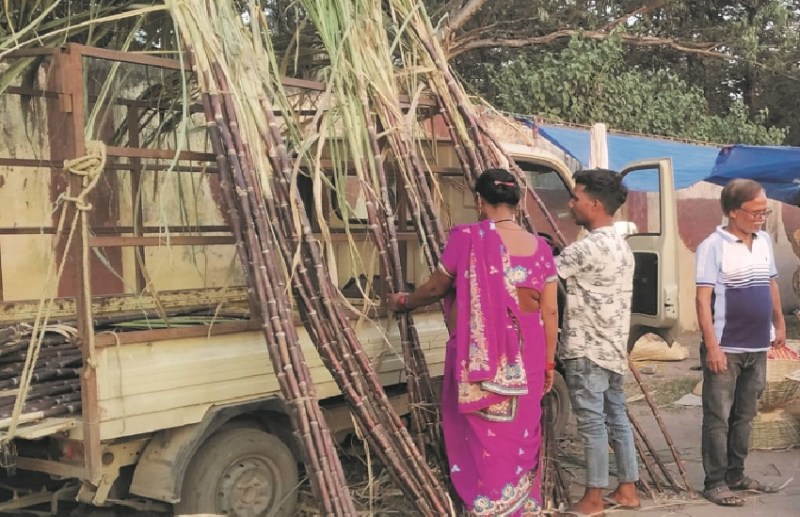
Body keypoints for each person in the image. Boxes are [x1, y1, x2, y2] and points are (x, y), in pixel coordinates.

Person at [387, 168, 559, 515]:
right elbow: (550, 312)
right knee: (521, 436)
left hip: (481, 357)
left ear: (480, 202)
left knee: (484, 440)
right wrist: (549, 362)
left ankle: (488, 506)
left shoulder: (467, 239)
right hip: (529, 355)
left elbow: (436, 288)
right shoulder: (541, 248)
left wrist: (404, 301)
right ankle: (521, 508)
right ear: (517, 202)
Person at [695, 179, 786, 507]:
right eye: (756, 211)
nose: (762, 217)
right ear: (734, 212)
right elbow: (702, 299)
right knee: (718, 416)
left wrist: (779, 322)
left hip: (757, 345)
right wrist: (712, 346)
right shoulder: (712, 246)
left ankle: (737, 474)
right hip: (726, 347)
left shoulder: (763, 241)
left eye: (765, 211)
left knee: (745, 415)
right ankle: (715, 482)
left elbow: (771, 283)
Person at [555, 169, 639, 517]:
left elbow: (539, 276)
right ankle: (627, 489)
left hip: (586, 348)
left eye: (575, 198)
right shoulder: (621, 245)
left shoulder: (585, 248)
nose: (571, 203)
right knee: (616, 417)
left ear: (595, 203)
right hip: (613, 347)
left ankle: (593, 499)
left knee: (591, 423)